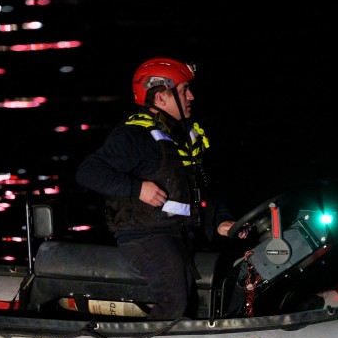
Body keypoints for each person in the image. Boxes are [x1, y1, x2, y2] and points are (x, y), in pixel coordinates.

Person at [75, 57, 241, 319]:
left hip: (181, 233)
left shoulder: (187, 135)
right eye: (185, 90)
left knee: (225, 282)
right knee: (174, 299)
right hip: (146, 236)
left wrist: (220, 221)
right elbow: (88, 172)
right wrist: (136, 188)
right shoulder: (134, 136)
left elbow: (205, 187)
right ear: (161, 97)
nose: (192, 96)